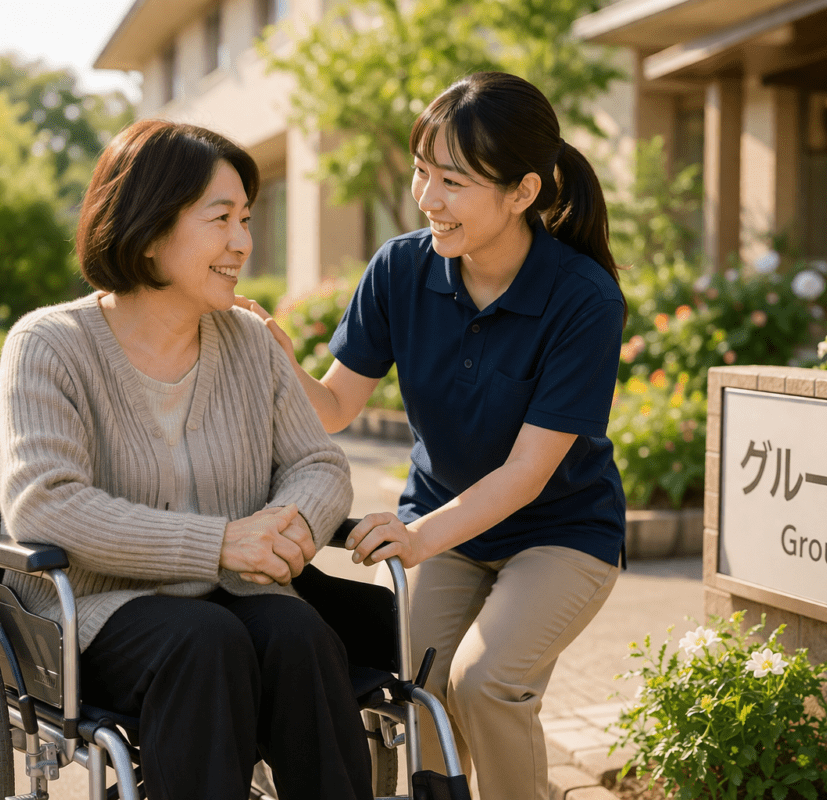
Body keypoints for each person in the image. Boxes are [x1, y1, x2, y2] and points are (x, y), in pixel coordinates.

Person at [239, 72, 627, 800]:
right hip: (448, 527)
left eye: (453, 181)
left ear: (523, 192)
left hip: (561, 532)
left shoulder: (583, 299)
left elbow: (527, 475)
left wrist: (419, 538)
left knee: (485, 683)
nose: (428, 198)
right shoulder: (401, 269)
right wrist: (279, 357)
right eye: (423, 172)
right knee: (421, 690)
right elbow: (333, 407)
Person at [0, 119, 373, 800]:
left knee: (300, 632)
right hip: (94, 610)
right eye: (220, 218)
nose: (243, 242)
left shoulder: (250, 342)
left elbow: (320, 465)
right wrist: (223, 542)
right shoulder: (50, 344)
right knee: (205, 642)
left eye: (247, 219)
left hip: (235, 597)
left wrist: (287, 530)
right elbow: (45, 502)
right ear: (149, 224)